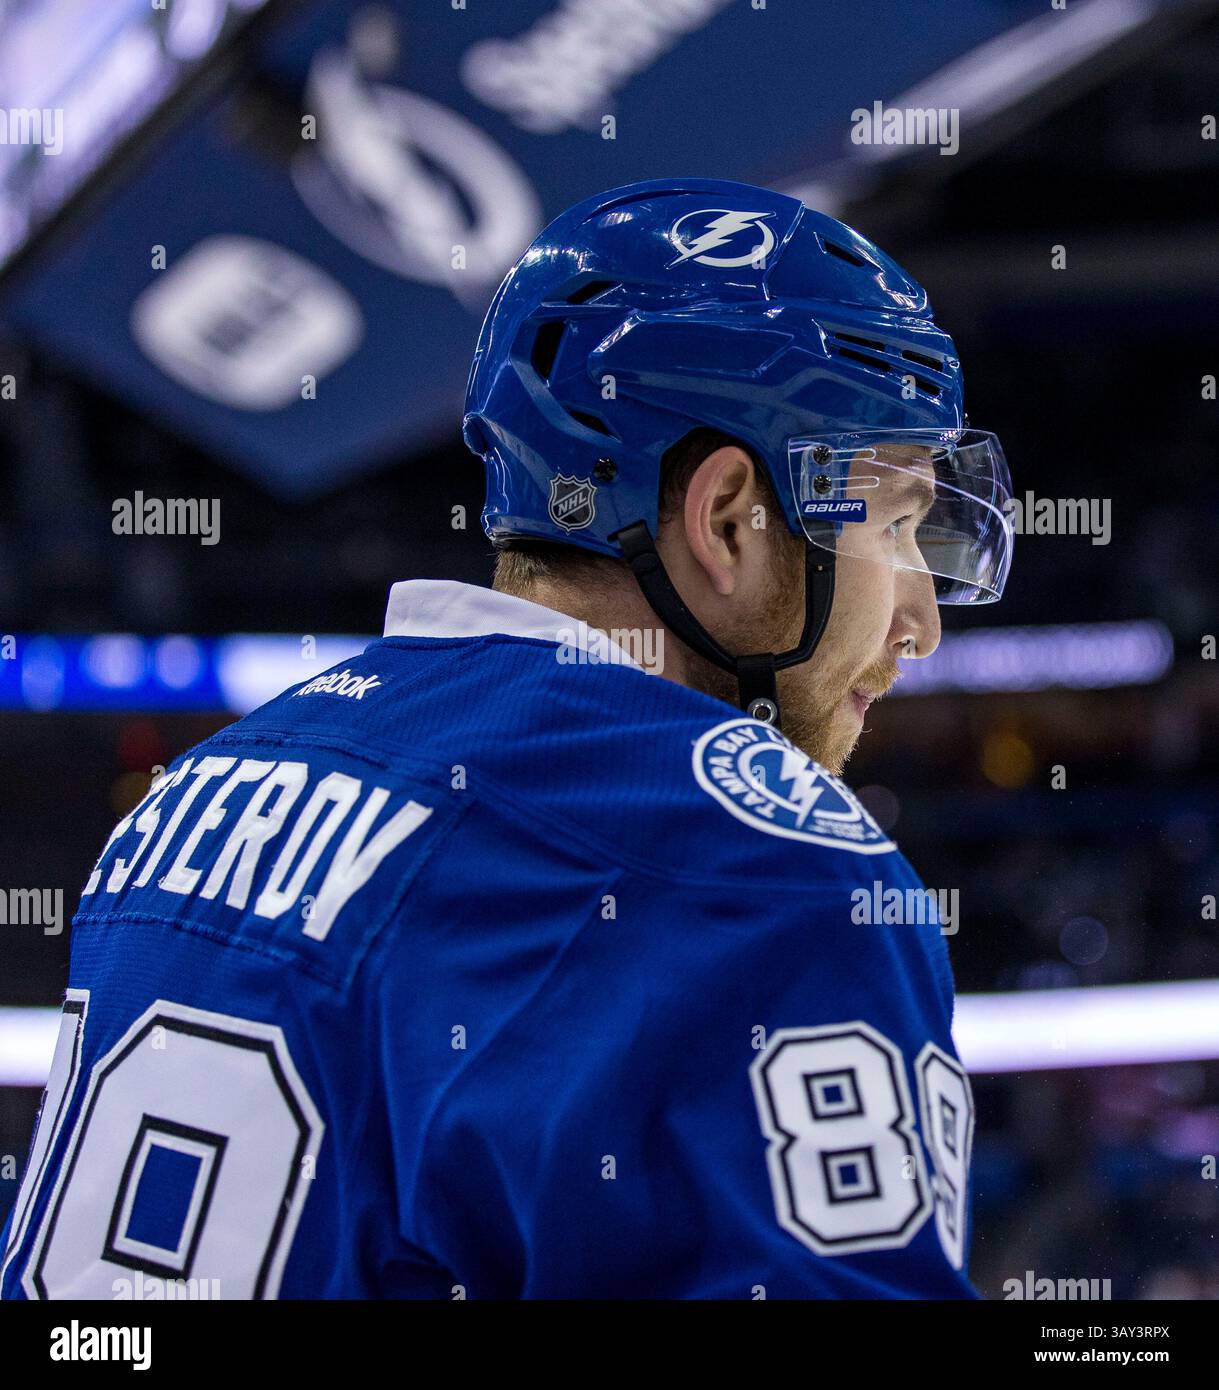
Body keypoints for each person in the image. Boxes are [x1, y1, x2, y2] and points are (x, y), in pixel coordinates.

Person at [1, 178, 1012, 1300]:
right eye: (897, 524)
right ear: (728, 518)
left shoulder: (197, 791)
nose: (921, 620)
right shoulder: (751, 869)